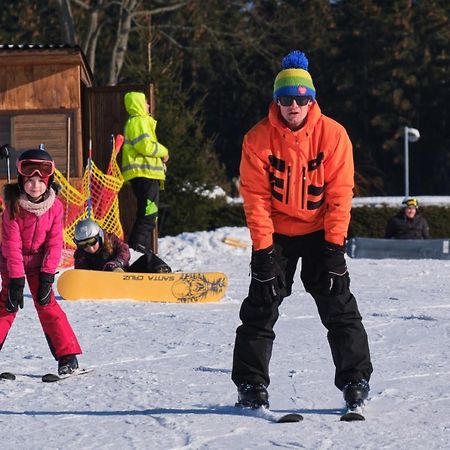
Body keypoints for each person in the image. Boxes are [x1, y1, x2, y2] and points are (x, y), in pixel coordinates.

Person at [232, 50, 373, 411]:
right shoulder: (257, 139)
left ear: (311, 100)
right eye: (286, 99)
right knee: (261, 305)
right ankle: (250, 383)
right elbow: (256, 199)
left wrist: (334, 249)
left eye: (301, 98)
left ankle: (355, 378)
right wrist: (263, 253)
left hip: (319, 231)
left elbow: (341, 194)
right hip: (276, 233)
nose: (293, 105)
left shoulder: (333, 136)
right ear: (276, 101)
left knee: (338, 302)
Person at [0, 148, 82, 375]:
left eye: (40, 180)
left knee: (47, 305)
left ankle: (67, 357)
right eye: (29, 180)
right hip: (11, 262)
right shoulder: (12, 207)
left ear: (48, 181)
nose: (35, 185)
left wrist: (47, 276)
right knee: (6, 307)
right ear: (21, 181)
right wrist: (16, 281)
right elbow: (11, 246)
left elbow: (55, 243)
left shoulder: (55, 207)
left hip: (39, 263)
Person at [122, 91, 170, 254]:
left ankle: (140, 248)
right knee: (148, 215)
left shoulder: (139, 122)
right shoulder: (138, 121)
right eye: (145, 102)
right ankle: (136, 249)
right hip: (144, 174)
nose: (148, 106)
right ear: (138, 105)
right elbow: (145, 146)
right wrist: (163, 151)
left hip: (146, 176)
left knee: (149, 214)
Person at [73, 218, 171, 273]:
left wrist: (117, 263)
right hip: (100, 282)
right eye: (83, 244)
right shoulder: (80, 254)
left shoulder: (110, 240)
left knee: (147, 258)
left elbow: (124, 250)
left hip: (124, 277)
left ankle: (163, 274)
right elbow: (81, 273)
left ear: (99, 237)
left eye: (92, 242)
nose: (89, 247)